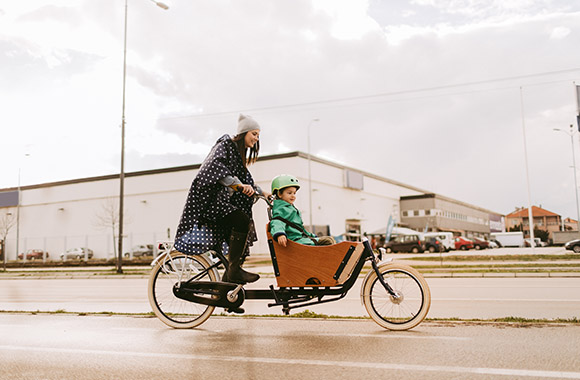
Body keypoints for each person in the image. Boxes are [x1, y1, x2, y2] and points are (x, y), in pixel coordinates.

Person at [173, 114, 265, 286]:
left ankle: (225, 293)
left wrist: (264, 193)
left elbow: (246, 181)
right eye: (254, 133)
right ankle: (234, 271)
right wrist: (238, 185)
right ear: (244, 132)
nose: (256, 138)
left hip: (220, 204)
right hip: (208, 202)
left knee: (240, 245)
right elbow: (215, 170)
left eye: (258, 135)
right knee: (242, 221)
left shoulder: (237, 155)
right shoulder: (224, 146)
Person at [270, 174, 335, 247]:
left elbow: (299, 229)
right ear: (279, 194)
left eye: (294, 193)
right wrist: (280, 234)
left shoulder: (289, 208)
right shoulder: (282, 210)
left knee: (329, 239)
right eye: (289, 193)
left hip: (302, 239)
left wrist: (311, 235)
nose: (293, 196)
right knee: (328, 241)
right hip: (296, 241)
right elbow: (277, 222)